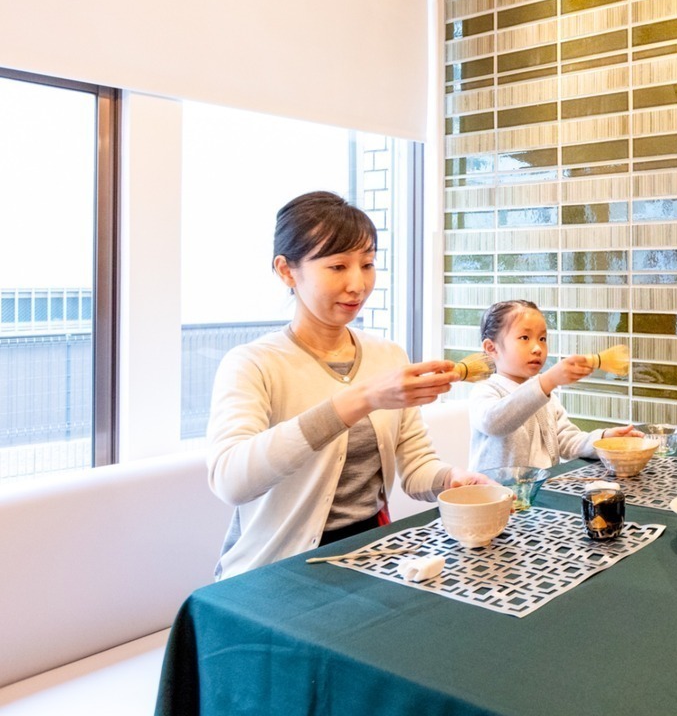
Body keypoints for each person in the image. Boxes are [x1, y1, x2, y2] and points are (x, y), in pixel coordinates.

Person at [207, 191, 491, 579]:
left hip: (372, 557)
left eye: (368, 264)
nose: (358, 284)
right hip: (275, 571)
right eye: (338, 266)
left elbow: (415, 465)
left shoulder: (387, 355)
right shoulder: (253, 363)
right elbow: (231, 481)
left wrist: (451, 479)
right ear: (287, 271)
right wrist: (361, 398)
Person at [469, 299, 639, 471]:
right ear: (491, 348)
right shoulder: (485, 391)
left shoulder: (546, 397)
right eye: (525, 337)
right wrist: (546, 382)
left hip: (538, 491)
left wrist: (604, 439)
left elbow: (566, 440)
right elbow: (494, 422)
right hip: (495, 495)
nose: (537, 348)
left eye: (542, 338)